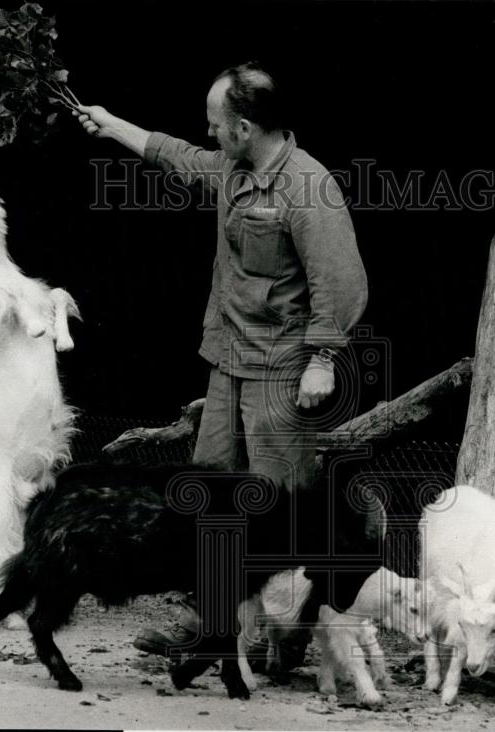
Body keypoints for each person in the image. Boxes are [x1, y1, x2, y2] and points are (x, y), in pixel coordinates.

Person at [75, 62, 368, 661]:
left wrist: (323, 361)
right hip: (229, 360)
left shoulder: (309, 187)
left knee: (273, 506)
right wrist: (109, 126)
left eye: (215, 124)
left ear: (244, 126)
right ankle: (206, 626)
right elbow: (176, 155)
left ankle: (280, 641)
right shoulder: (235, 170)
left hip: (283, 370)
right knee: (207, 495)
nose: (208, 133)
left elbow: (342, 283)